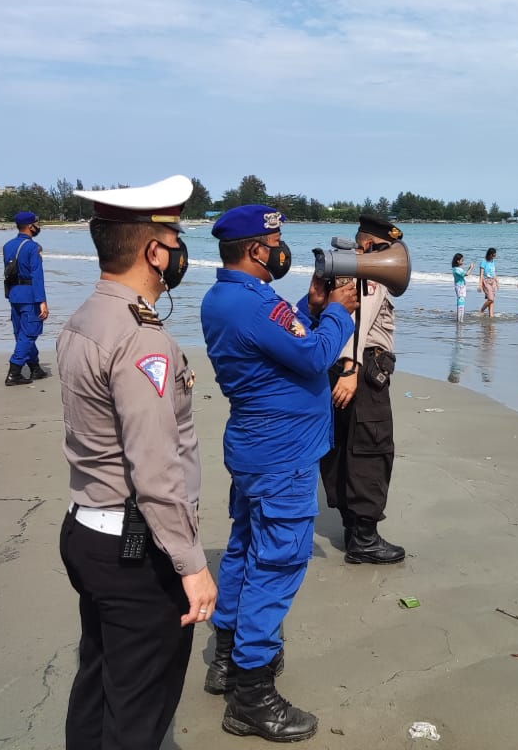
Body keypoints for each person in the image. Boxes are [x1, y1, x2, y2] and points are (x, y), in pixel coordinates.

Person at [56, 174, 216, 750]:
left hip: (86, 530)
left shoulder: (84, 319)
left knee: (98, 685)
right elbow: (155, 468)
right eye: (174, 238)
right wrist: (192, 563)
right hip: (136, 551)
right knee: (138, 713)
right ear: (154, 250)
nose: (179, 252)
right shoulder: (141, 338)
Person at [200, 204, 358, 742]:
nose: (280, 248)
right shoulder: (250, 305)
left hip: (256, 449)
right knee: (278, 561)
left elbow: (278, 343)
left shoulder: (230, 298)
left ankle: (226, 658)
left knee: (246, 549)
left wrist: (308, 307)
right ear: (254, 249)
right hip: (282, 456)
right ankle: (252, 696)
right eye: (275, 241)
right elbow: (313, 357)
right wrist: (337, 312)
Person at [322, 214, 406, 566]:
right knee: (372, 448)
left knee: (344, 447)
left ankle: (352, 527)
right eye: (388, 249)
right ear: (370, 246)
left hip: (345, 368)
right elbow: (358, 321)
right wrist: (352, 369)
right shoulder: (369, 276)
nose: (394, 259)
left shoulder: (347, 273)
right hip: (363, 370)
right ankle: (365, 539)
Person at [2, 210, 49, 386]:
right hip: (30, 296)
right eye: (37, 223)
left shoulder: (7, 245)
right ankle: (14, 373)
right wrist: (42, 301)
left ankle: (35, 368)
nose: (38, 227)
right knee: (29, 334)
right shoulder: (33, 247)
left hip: (14, 294)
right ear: (30, 226)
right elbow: (37, 276)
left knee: (21, 333)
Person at [477, 247, 498, 317]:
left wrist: (497, 281)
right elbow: (481, 274)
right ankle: (481, 310)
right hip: (486, 281)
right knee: (490, 299)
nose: (494, 256)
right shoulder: (483, 261)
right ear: (490, 254)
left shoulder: (492, 261)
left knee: (492, 299)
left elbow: (493, 272)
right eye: (494, 255)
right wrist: (480, 284)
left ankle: (491, 315)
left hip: (493, 281)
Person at [451, 252, 470, 323]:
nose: (463, 261)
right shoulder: (457, 270)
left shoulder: (455, 269)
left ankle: (460, 319)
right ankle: (460, 320)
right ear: (458, 261)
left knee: (461, 302)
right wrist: (471, 268)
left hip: (460, 287)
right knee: (461, 302)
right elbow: (466, 274)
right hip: (460, 287)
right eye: (462, 260)